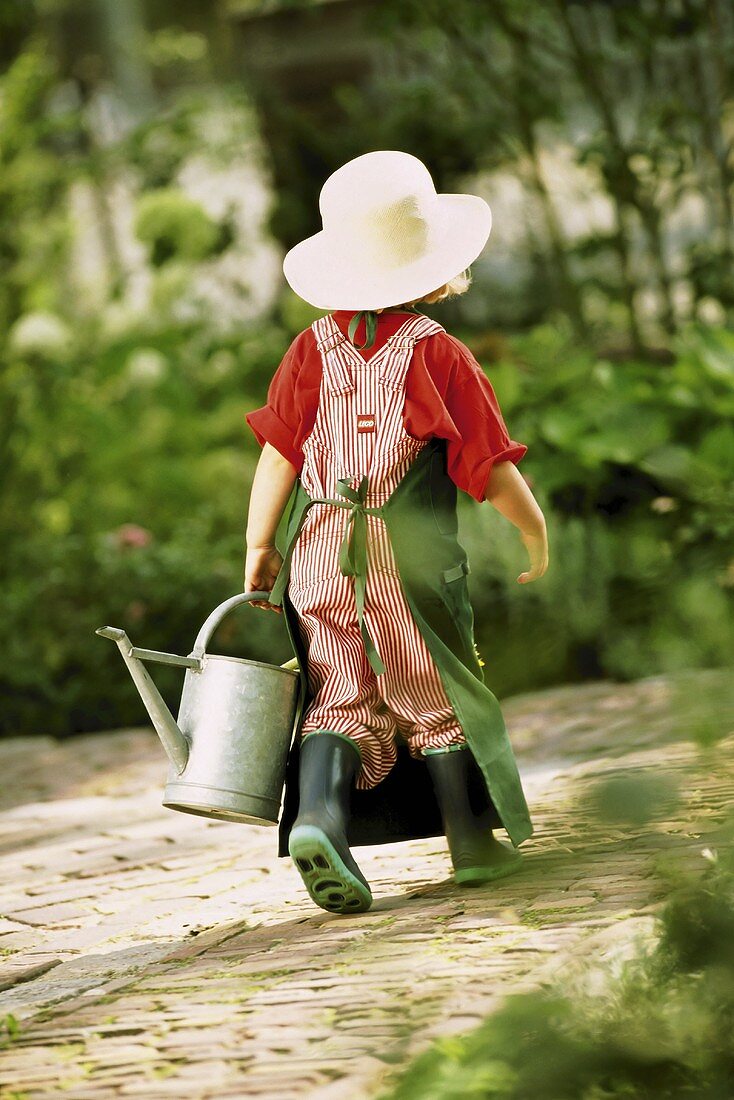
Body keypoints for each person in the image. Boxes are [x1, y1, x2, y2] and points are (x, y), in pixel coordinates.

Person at [244, 151, 549, 916]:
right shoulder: (438, 354)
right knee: (430, 690)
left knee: (338, 698)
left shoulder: (309, 349)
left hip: (316, 544)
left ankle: (319, 817)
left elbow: (279, 453)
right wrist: (534, 530)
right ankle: (473, 847)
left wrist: (258, 544)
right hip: (399, 555)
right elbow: (489, 465)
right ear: (435, 262)